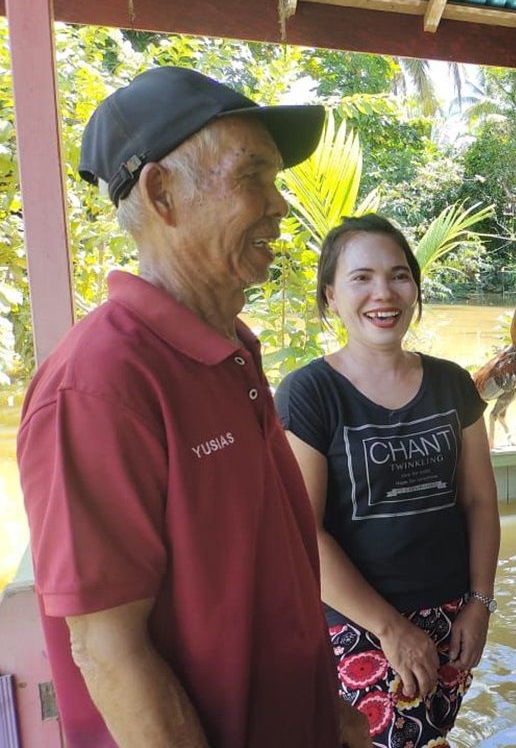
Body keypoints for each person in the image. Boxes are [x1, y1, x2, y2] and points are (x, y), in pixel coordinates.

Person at [16, 66, 369, 746]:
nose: (281, 206)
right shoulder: (98, 386)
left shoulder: (230, 350)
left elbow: (269, 574)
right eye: (253, 177)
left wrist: (333, 712)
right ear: (162, 192)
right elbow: (108, 652)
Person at [276, 214, 501, 747]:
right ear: (331, 295)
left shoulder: (451, 384)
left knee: (433, 735)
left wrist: (480, 602)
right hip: (353, 622)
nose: (384, 292)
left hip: (451, 614)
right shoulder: (309, 394)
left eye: (399, 275)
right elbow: (306, 534)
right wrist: (392, 630)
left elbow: (479, 502)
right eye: (362, 277)